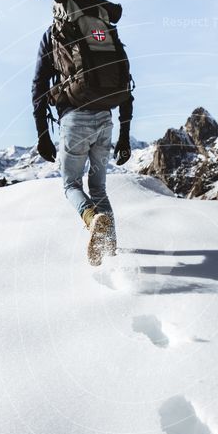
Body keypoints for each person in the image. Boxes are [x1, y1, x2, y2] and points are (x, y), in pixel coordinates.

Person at [31, 23, 133, 264]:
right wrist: (125, 136)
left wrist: (42, 134)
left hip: (74, 119)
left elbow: (38, 85)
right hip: (105, 118)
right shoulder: (104, 31)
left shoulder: (54, 33)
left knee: (71, 185)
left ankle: (92, 219)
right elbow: (126, 84)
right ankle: (110, 254)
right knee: (98, 187)